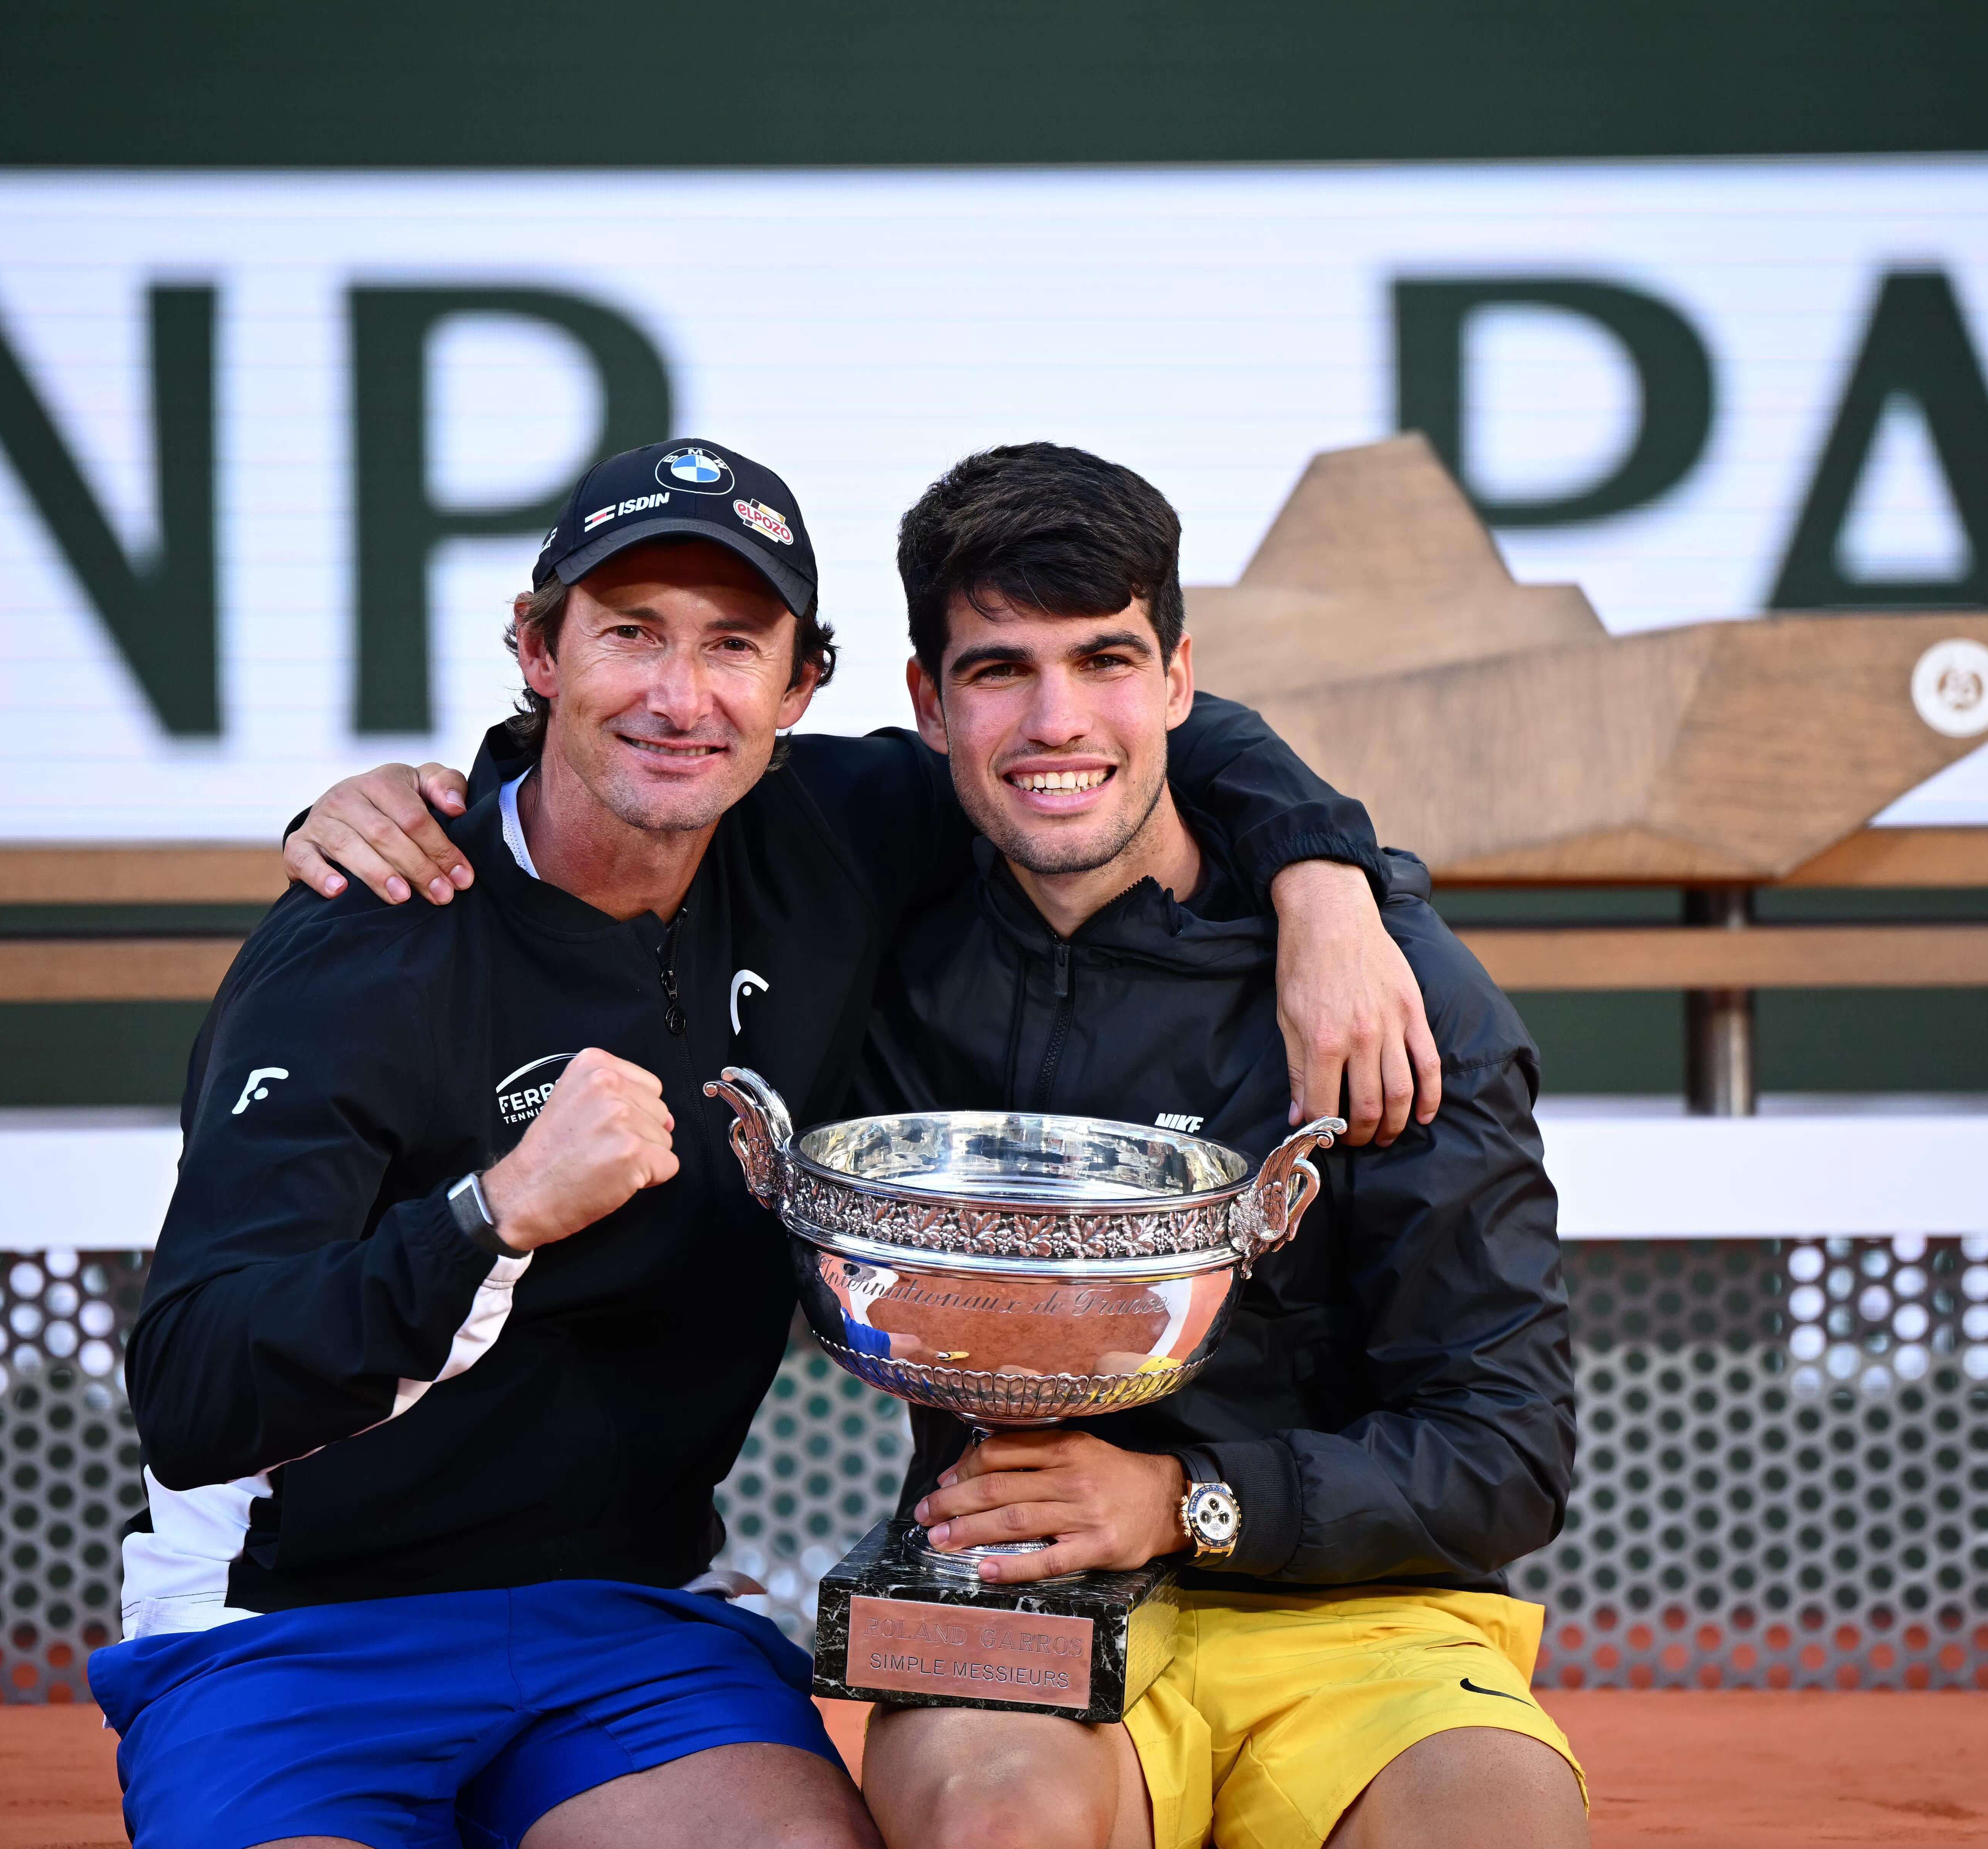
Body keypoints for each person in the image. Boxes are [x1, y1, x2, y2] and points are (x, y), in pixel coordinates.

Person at [101, 438, 1433, 1849]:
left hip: (629, 1626)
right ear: (537, 650)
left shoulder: (829, 833)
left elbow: (1116, 729)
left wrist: (1327, 882)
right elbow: (194, 1394)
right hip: (294, 1635)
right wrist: (487, 1217)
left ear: (801, 688)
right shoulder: (368, 933)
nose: (682, 697)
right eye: (630, 635)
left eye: (735, 645)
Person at [855, 445, 1582, 1849]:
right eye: (1001, 670)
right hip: (1020, 1587)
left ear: (1180, 683)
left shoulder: (1388, 998)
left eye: (1107, 661)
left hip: (1355, 1611)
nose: (1058, 721)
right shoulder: (866, 924)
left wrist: (1181, 1501)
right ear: (928, 706)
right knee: (998, 1830)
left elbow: (1507, 1449)